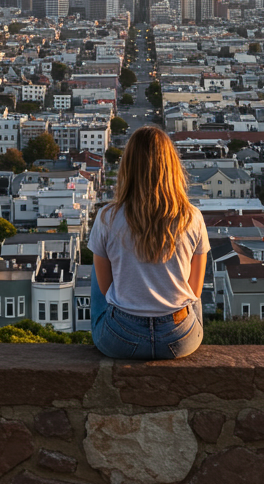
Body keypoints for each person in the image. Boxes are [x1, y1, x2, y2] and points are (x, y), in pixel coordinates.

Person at [88, 125, 206, 359]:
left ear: (128, 167)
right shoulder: (192, 217)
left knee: (97, 258)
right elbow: (195, 290)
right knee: (191, 293)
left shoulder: (107, 217)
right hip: (179, 338)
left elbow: (104, 289)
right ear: (172, 166)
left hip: (121, 337)